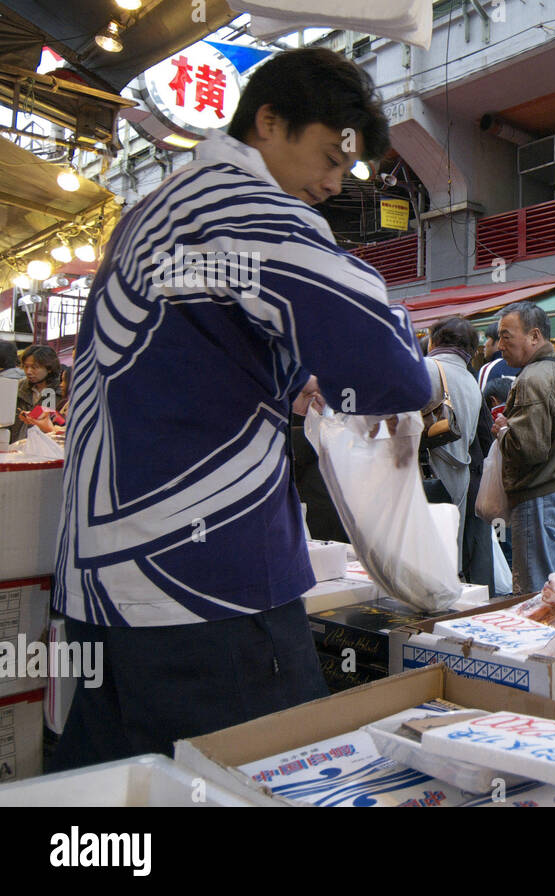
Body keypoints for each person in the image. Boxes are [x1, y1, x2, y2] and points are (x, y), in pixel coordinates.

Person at [49, 48, 431, 771]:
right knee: (257, 780)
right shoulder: (240, 204)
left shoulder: (155, 210)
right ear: (268, 121)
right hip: (203, 587)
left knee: (112, 805)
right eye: (328, 155)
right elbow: (387, 367)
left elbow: (179, 361)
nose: (331, 181)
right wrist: (426, 378)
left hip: (104, 588)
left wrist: (288, 381)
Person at [490, 300, 555, 593]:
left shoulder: (533, 378)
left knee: (537, 595)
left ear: (535, 336)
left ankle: (541, 641)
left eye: (506, 336)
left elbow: (529, 450)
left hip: (543, 497)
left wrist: (503, 432)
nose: (500, 345)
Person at [423, 315, 492, 587]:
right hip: (458, 476)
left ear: (435, 340)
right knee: (449, 552)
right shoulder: (471, 381)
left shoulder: (427, 369)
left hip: (426, 473)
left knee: (420, 553)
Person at [7, 345, 61, 444]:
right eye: (26, 366)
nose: (28, 371)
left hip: (50, 450)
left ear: (49, 368)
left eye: (34, 367)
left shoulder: (61, 392)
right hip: (18, 448)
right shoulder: (18, 387)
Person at [476, 321, 521, 391]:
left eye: (487, 339)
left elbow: (482, 400)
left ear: (499, 341)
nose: (484, 344)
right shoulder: (524, 367)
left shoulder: (488, 369)